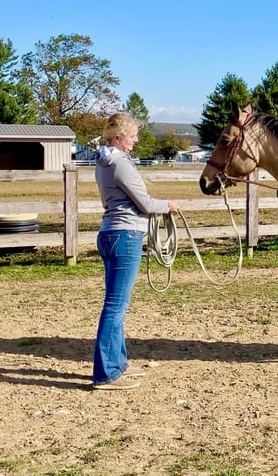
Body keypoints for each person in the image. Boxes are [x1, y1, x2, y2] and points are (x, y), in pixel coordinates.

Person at [92, 113, 180, 390]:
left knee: (116, 304)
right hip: (126, 236)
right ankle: (106, 373)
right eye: (132, 135)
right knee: (116, 306)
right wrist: (168, 205)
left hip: (110, 233)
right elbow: (145, 203)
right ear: (118, 137)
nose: (136, 140)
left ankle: (117, 366)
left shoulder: (103, 162)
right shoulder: (120, 165)